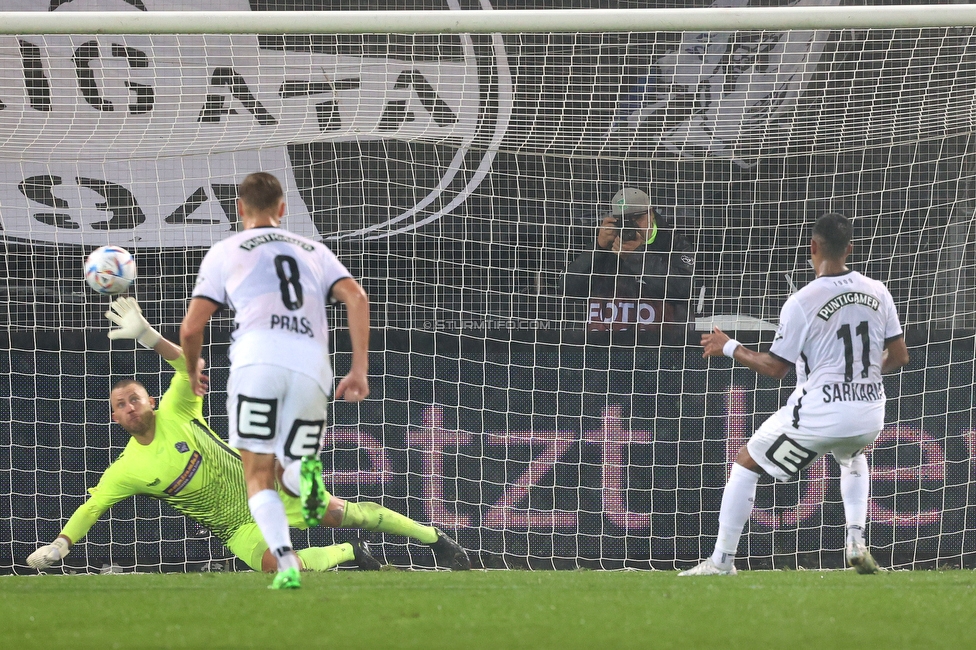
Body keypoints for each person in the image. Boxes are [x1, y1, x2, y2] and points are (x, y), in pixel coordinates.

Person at [179, 172, 469, 589]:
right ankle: (306, 481)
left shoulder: (226, 251)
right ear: (283, 208)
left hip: (257, 364)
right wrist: (359, 368)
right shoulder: (313, 250)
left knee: (258, 475)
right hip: (310, 367)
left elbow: (191, 329)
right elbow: (357, 297)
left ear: (240, 208)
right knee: (303, 481)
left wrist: (191, 370)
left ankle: (288, 562)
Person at [27, 297, 382, 575]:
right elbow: (93, 506)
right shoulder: (127, 469)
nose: (130, 407)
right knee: (282, 569)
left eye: (134, 398)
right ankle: (349, 552)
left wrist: (148, 336)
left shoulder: (176, 408)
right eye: (121, 404)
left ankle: (428, 537)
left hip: (261, 486)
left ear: (151, 401)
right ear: (114, 417)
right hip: (234, 527)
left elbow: (190, 365)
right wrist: (61, 545)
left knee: (340, 512)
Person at [679, 212, 910, 576]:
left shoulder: (802, 301)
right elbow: (899, 356)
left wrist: (729, 347)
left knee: (745, 463)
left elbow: (775, 368)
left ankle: (721, 562)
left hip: (820, 414)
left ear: (813, 247)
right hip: (869, 413)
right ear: (849, 249)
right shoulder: (878, 291)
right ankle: (855, 539)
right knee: (852, 456)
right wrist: (859, 376)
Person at [563, 187, 695, 332]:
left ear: (651, 213)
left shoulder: (674, 242)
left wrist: (636, 256)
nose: (632, 226)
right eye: (625, 221)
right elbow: (567, 289)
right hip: (607, 344)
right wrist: (597, 248)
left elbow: (684, 289)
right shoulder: (605, 244)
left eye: (637, 218)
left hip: (660, 345)